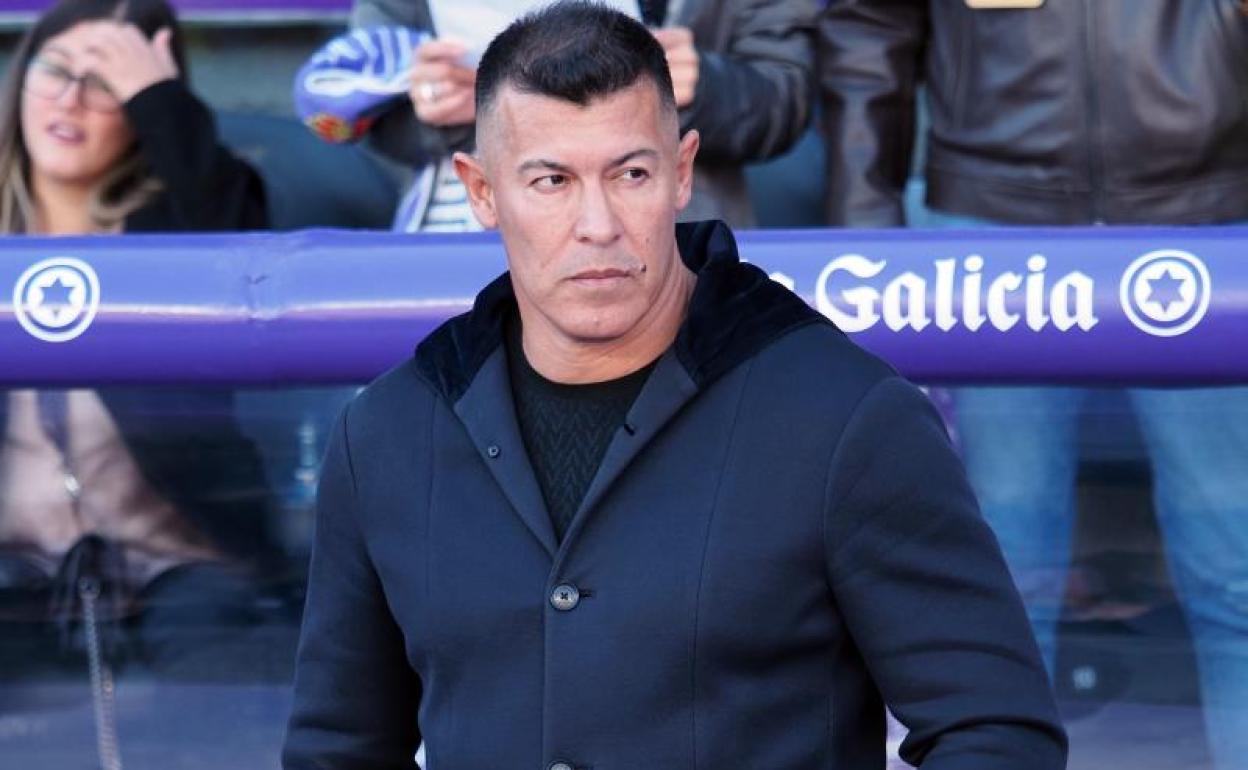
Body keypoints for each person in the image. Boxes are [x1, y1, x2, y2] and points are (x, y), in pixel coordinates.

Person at [283, 4, 1065, 768]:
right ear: (481, 192)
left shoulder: (847, 417)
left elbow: (996, 731)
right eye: (551, 181)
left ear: (681, 172)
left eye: (630, 174)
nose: (598, 224)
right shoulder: (388, 433)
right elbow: (336, 749)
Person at [818, 1, 1248, 768]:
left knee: (1236, 568)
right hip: (993, 223)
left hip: (1209, 220)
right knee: (995, 574)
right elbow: (869, 26)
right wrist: (865, 234)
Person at [0, 0, 278, 690]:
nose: (71, 99)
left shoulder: (179, 226)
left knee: (223, 680)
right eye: (56, 69)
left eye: (105, 83)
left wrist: (160, 101)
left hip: (177, 563)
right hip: (15, 566)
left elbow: (234, 234)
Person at [304, 0, 816, 231]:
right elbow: (354, 114)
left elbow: (787, 96)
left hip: (671, 235)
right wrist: (433, 107)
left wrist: (705, 85)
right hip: (462, 229)